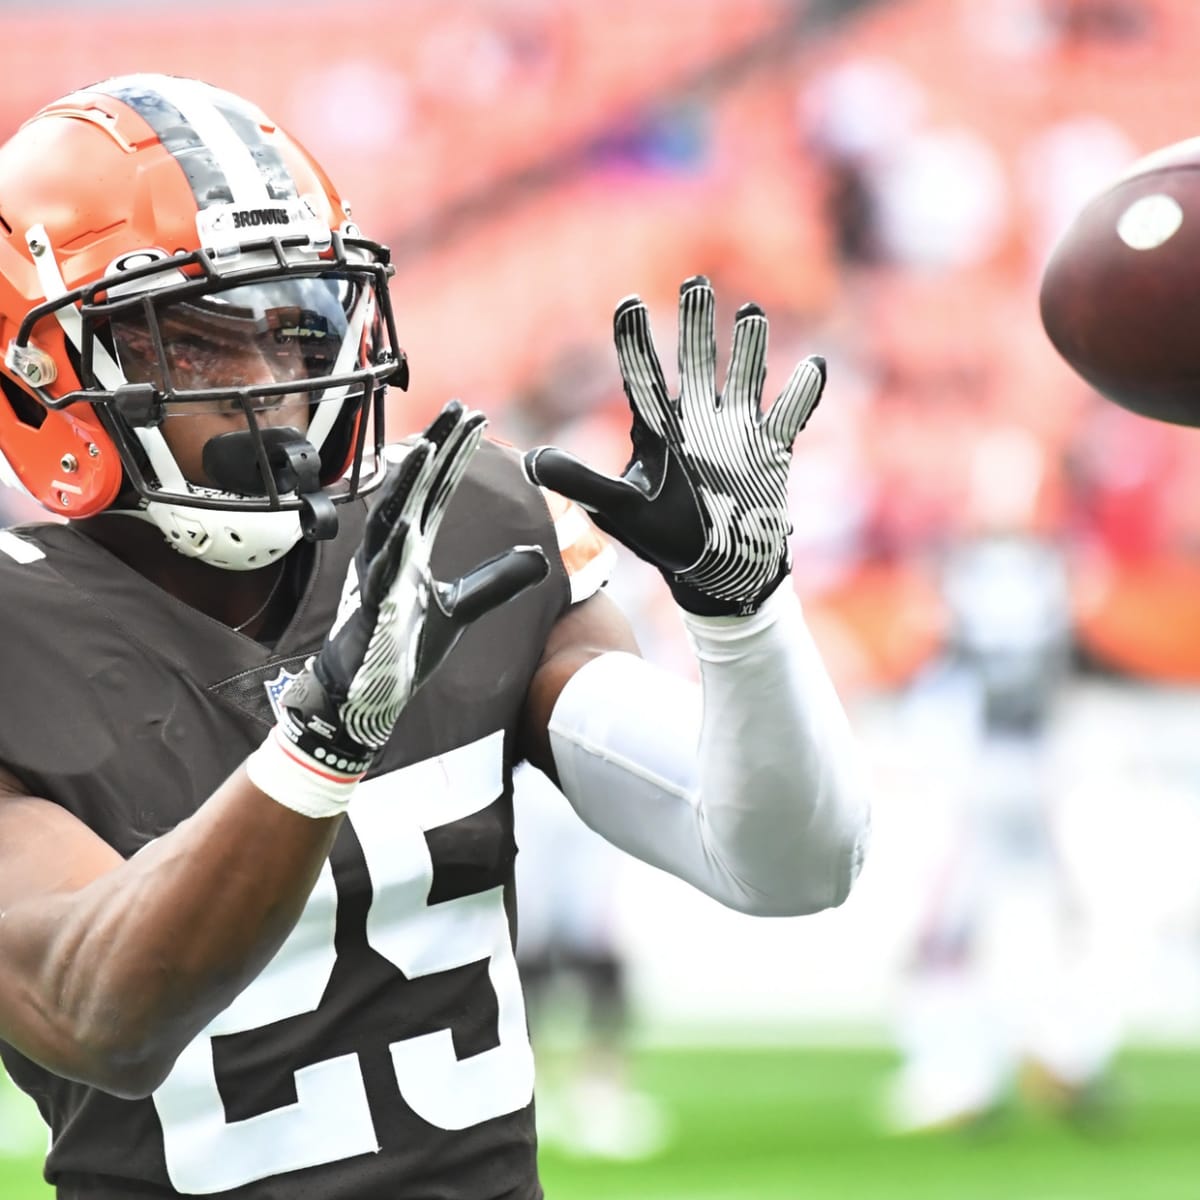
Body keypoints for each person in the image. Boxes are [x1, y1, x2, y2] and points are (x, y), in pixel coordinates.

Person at [0, 74, 868, 1199]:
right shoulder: (24, 646)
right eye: (200, 344)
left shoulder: (461, 530)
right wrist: (317, 749)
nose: (275, 387)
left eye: (296, 326)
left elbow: (785, 864)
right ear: (45, 369)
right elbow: (102, 1011)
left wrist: (742, 610)